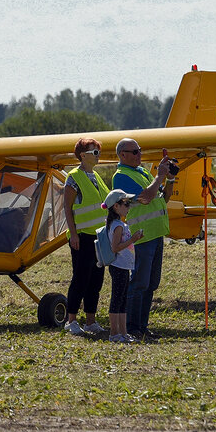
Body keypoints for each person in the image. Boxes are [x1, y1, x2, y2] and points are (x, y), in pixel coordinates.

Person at [110, 138, 175, 342]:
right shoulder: (120, 176)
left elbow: (162, 198)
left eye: (140, 151)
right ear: (123, 155)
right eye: (135, 151)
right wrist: (159, 176)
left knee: (151, 283)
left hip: (155, 233)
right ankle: (132, 327)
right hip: (142, 236)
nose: (139, 155)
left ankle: (142, 327)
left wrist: (169, 179)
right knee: (139, 282)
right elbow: (146, 197)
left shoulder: (142, 172)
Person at [60, 137, 108, 336]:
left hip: (99, 237)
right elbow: (67, 207)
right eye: (94, 152)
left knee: (96, 280)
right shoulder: (74, 177)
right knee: (80, 278)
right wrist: (73, 235)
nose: (98, 155)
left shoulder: (95, 177)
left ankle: (90, 321)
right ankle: (71, 320)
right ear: (83, 155)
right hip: (82, 236)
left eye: (98, 151)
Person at [102, 188, 141, 343]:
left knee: (123, 300)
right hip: (118, 266)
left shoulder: (120, 224)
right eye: (125, 203)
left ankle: (123, 333)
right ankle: (114, 333)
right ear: (116, 207)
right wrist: (133, 240)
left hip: (124, 266)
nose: (128, 206)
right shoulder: (117, 226)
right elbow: (115, 247)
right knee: (117, 300)